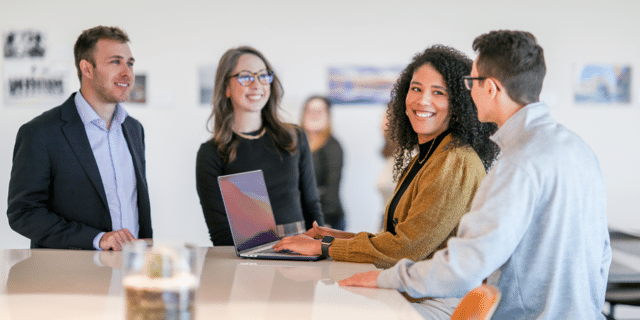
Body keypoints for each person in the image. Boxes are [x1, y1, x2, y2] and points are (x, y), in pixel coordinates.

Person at [339, 30, 611, 320]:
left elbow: (466, 264)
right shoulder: (578, 149)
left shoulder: (517, 163)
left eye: (472, 81)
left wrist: (384, 279)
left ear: (491, 88)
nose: (468, 91)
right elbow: (602, 255)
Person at [274, 45, 499, 276]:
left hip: (432, 302)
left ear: (459, 104)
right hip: (411, 289)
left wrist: (324, 247)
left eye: (438, 92)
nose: (423, 100)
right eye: (416, 88)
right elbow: (396, 238)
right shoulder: (430, 154)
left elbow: (406, 249)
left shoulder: (455, 161)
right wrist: (333, 237)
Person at [7, 26, 152, 250]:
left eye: (130, 63)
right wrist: (98, 239)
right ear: (87, 68)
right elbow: (23, 213)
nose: (127, 72)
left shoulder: (134, 129)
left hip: (131, 269)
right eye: (116, 62)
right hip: (70, 275)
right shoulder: (41, 132)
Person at [196, 46, 324, 246]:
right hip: (250, 264)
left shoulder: (294, 138)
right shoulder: (213, 153)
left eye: (263, 76)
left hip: (301, 258)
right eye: (245, 77)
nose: (257, 85)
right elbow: (220, 232)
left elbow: (312, 207)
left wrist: (320, 249)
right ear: (226, 88)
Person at [300, 95, 346, 230]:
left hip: (327, 220)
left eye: (319, 111)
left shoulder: (333, 146)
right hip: (302, 219)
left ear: (328, 115)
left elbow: (332, 188)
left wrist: (324, 222)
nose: (314, 114)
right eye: (310, 110)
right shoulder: (295, 144)